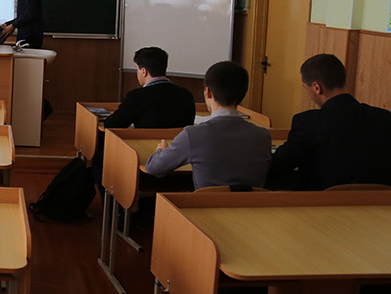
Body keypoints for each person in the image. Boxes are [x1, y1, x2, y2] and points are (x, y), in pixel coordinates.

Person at [268, 54, 391, 190]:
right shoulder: (384, 117)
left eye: (305, 88)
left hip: (321, 200)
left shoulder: (308, 122)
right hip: (379, 200)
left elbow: (280, 164)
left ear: (316, 87)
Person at [145, 61, 271, 190]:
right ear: (243, 93)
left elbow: (153, 168)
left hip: (205, 202)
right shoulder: (263, 136)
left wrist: (161, 150)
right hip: (254, 203)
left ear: (208, 92)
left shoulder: (193, 135)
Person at [90, 47, 195, 187]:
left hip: (145, 160)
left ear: (144, 71)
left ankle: (116, 200)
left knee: (99, 161)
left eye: (137, 69)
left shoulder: (137, 96)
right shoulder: (186, 95)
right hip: (178, 158)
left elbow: (112, 124)